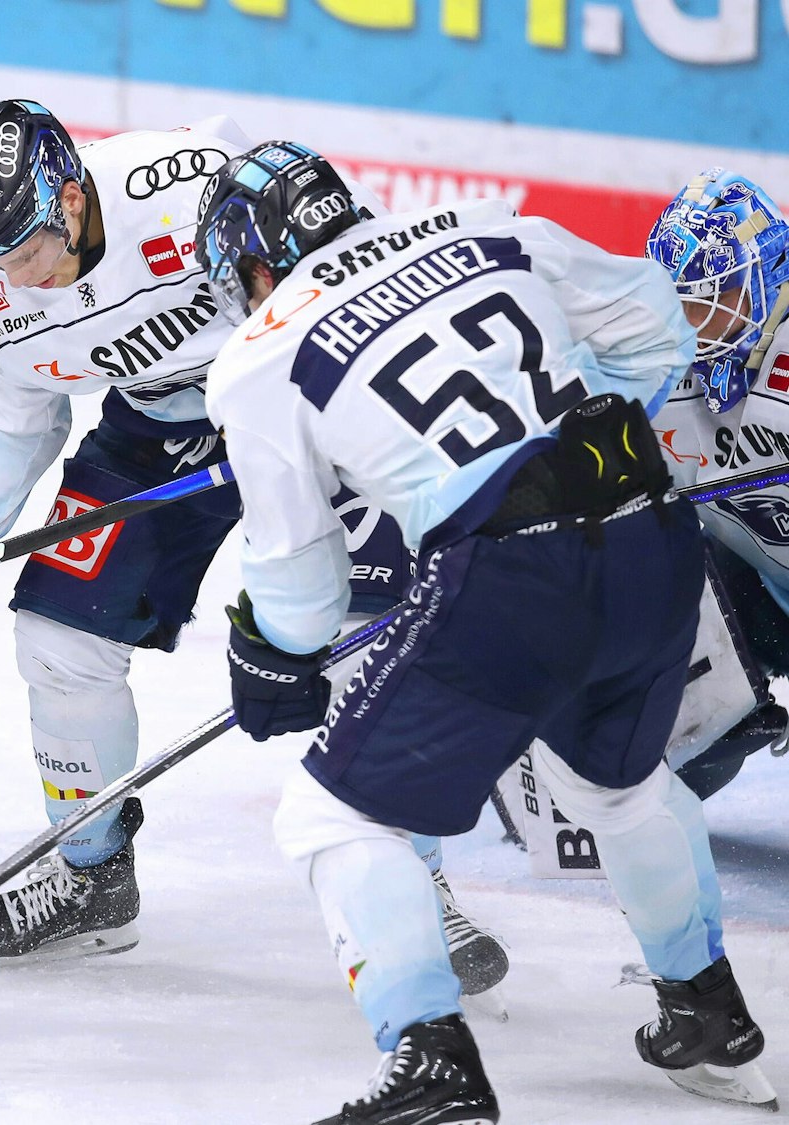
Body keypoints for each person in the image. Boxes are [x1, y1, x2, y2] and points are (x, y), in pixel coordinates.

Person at [0, 100, 505, 992]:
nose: (13, 279)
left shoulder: (187, 186)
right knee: (58, 642)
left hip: (312, 408)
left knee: (362, 643)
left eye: (24, 250)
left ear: (70, 198)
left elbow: (354, 269)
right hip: (158, 433)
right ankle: (92, 871)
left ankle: (412, 882)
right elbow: (10, 413)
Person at [199, 140, 771, 1120]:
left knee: (332, 817)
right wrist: (552, 450)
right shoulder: (486, 222)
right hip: (650, 538)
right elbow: (649, 322)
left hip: (515, 579)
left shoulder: (254, 359)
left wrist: (265, 650)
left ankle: (430, 1062)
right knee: (618, 786)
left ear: (252, 261)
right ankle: (707, 1016)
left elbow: (298, 585)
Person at [644, 169, 789, 798]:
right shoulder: (654, 361)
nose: (691, 323)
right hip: (760, 589)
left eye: (710, 299)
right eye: (678, 302)